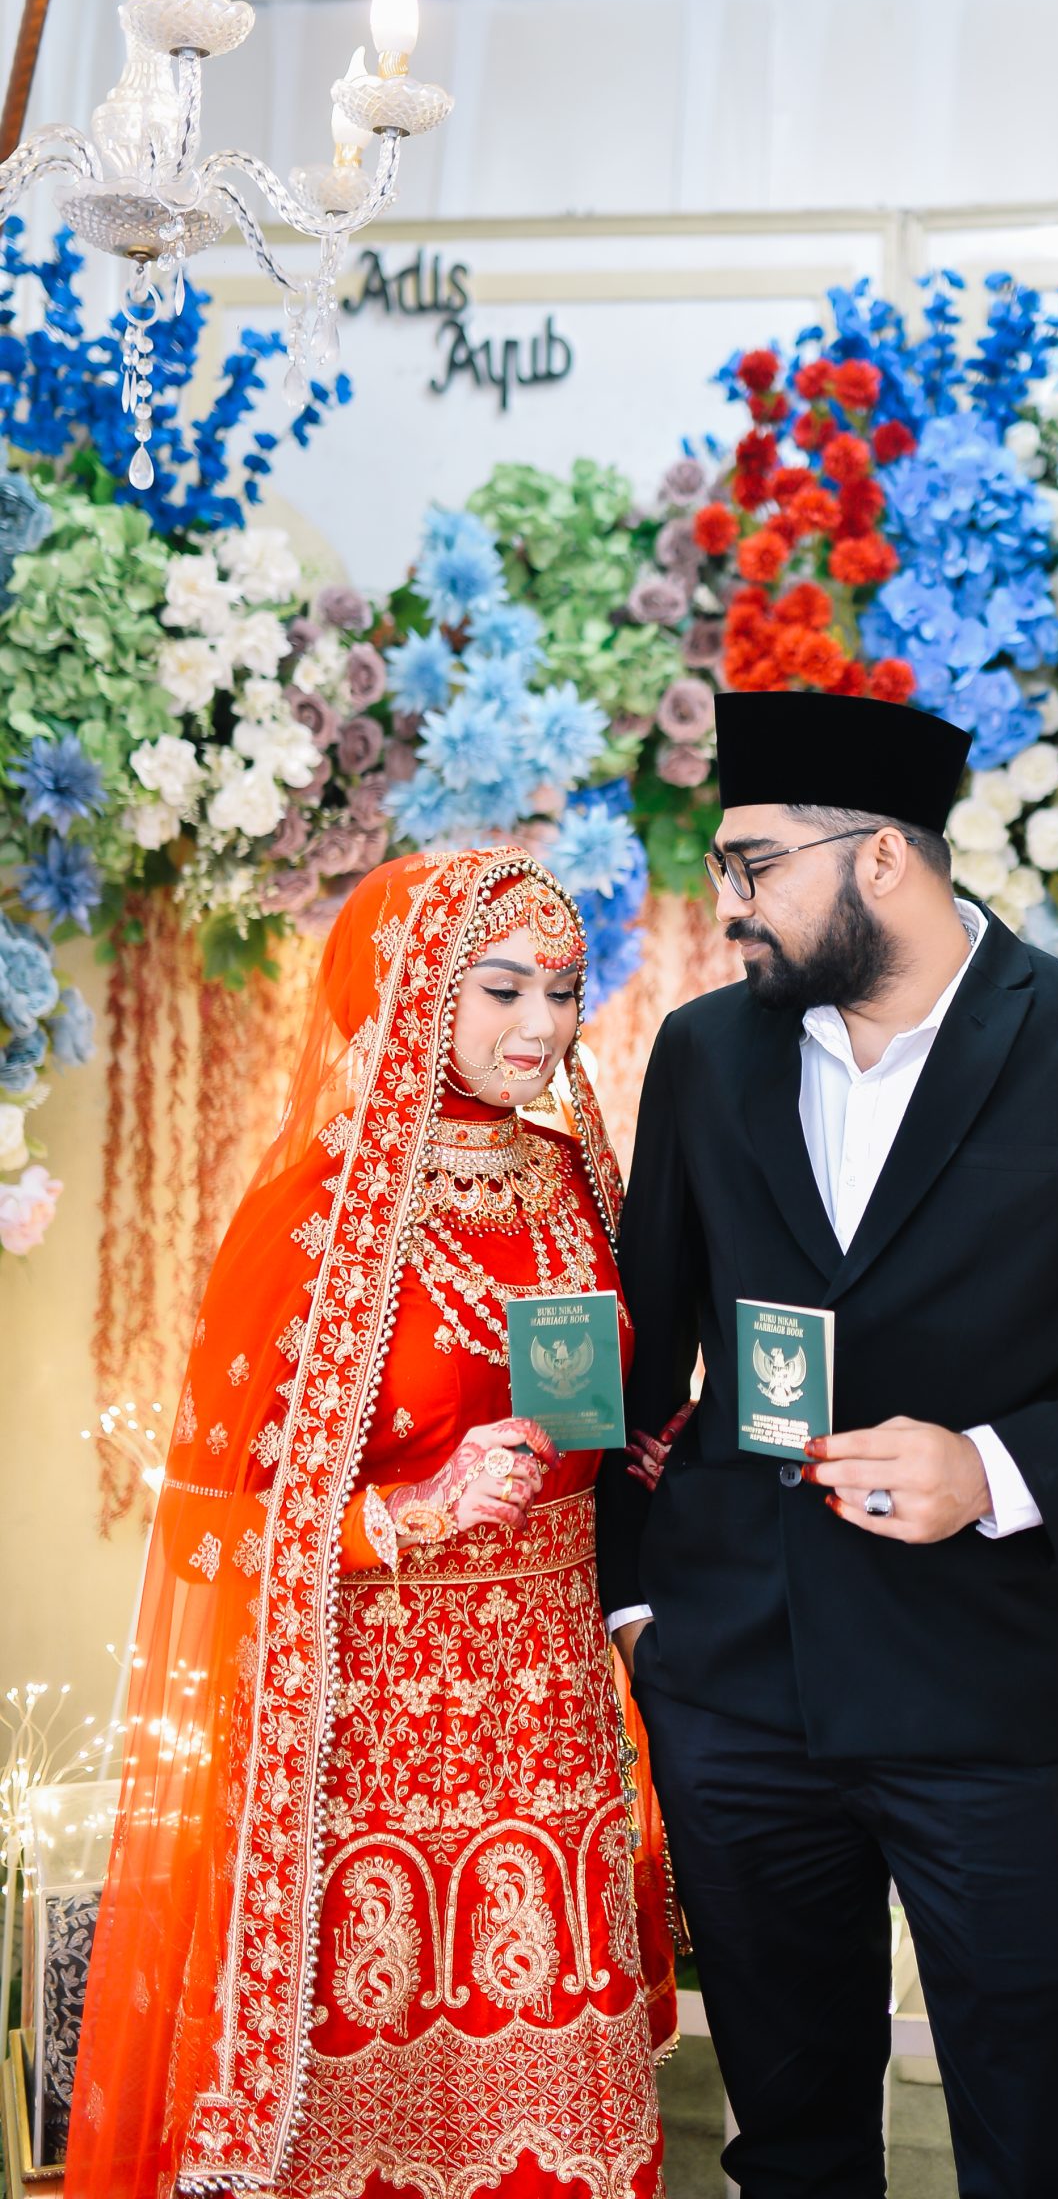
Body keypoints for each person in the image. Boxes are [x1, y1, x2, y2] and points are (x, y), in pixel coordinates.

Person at [599, 689, 1058, 2199]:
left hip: (983, 1688)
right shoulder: (704, 1053)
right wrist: (636, 1602)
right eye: (723, 867)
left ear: (883, 859)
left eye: (756, 865)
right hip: (734, 1691)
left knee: (1033, 2131)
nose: (729, 904)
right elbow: (648, 1345)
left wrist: (994, 1469)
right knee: (790, 2136)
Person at [66, 848, 673, 2199]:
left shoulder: (578, 1180)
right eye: (501, 990)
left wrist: (650, 1441)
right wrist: (405, 1512)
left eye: (562, 991)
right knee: (376, 2103)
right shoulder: (320, 1216)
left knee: (554, 2103)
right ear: (409, 996)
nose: (542, 1026)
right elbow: (209, 1531)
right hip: (369, 1734)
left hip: (554, 1716)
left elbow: (599, 1396)